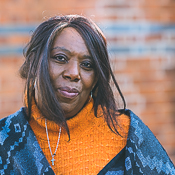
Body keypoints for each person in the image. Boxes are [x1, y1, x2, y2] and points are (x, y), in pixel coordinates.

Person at [0, 15, 174, 175]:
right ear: (32, 63)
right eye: (60, 58)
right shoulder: (5, 139)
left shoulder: (128, 136)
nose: (74, 73)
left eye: (87, 65)